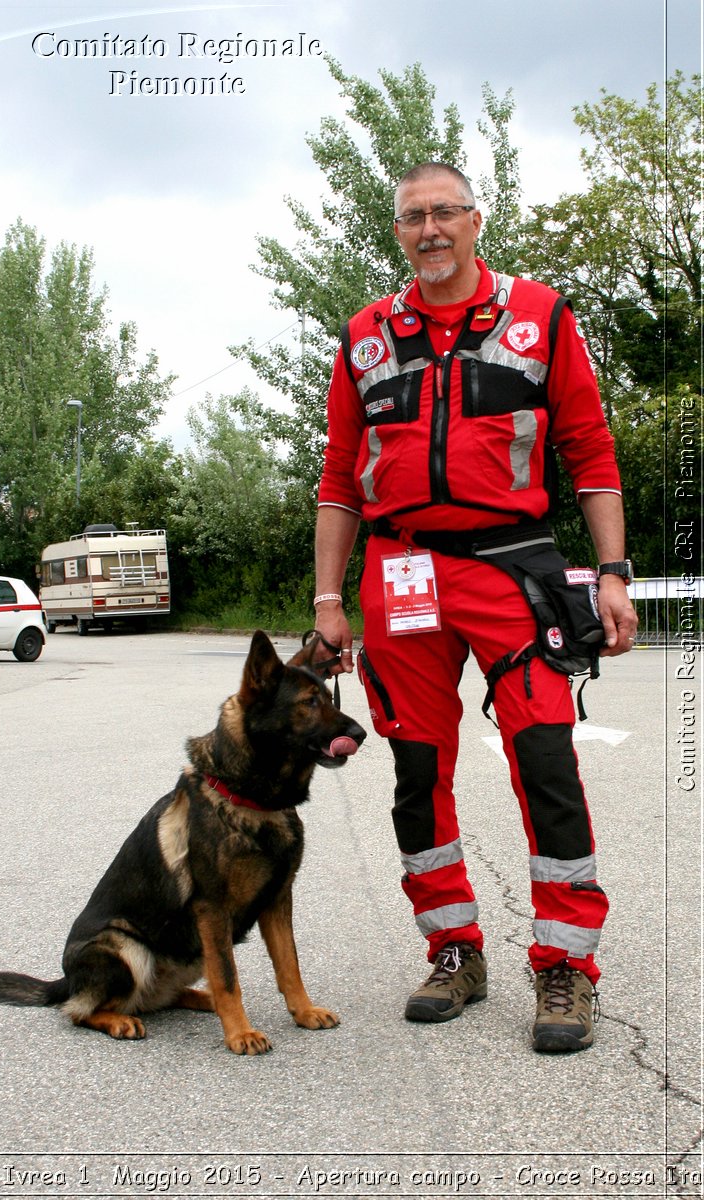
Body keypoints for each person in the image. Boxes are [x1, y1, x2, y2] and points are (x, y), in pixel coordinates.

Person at [313, 161, 637, 1053]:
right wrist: (329, 599)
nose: (430, 229)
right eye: (413, 217)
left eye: (444, 212)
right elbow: (340, 479)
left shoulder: (542, 314)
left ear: (476, 220)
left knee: (545, 759)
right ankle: (455, 949)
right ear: (399, 231)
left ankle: (565, 964)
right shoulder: (365, 336)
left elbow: (590, 449)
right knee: (419, 771)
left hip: (510, 568)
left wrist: (612, 571)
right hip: (402, 575)